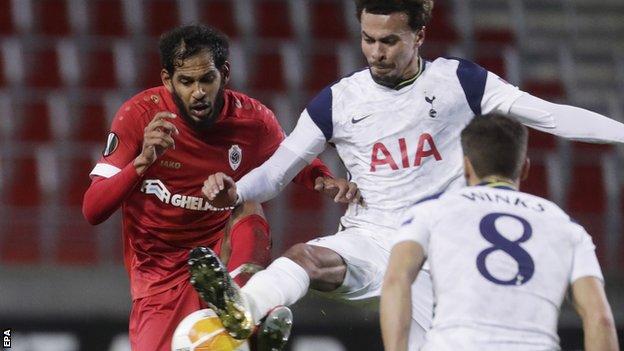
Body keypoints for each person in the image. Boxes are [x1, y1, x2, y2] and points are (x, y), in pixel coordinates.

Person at [192, 0, 624, 349]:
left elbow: (548, 115)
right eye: (368, 39)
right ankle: (243, 307)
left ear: (419, 36)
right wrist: (236, 190)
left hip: (439, 247)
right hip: (372, 238)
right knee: (304, 256)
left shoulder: (460, 81)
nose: (376, 52)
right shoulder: (337, 101)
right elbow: (276, 174)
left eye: (390, 41)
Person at [81, 24, 358, 351]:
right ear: (168, 80)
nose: (198, 91)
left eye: (206, 79)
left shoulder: (252, 120)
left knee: (247, 201)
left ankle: (241, 303)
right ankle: (252, 333)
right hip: (159, 274)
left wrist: (323, 178)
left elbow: (293, 161)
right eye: (186, 81)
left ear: (224, 74)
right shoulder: (138, 117)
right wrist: (142, 162)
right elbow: (92, 210)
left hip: (220, 256)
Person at [381, 114, 619, 351]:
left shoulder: (430, 211)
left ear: (465, 166)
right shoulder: (567, 226)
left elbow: (396, 279)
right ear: (525, 168)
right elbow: (600, 318)